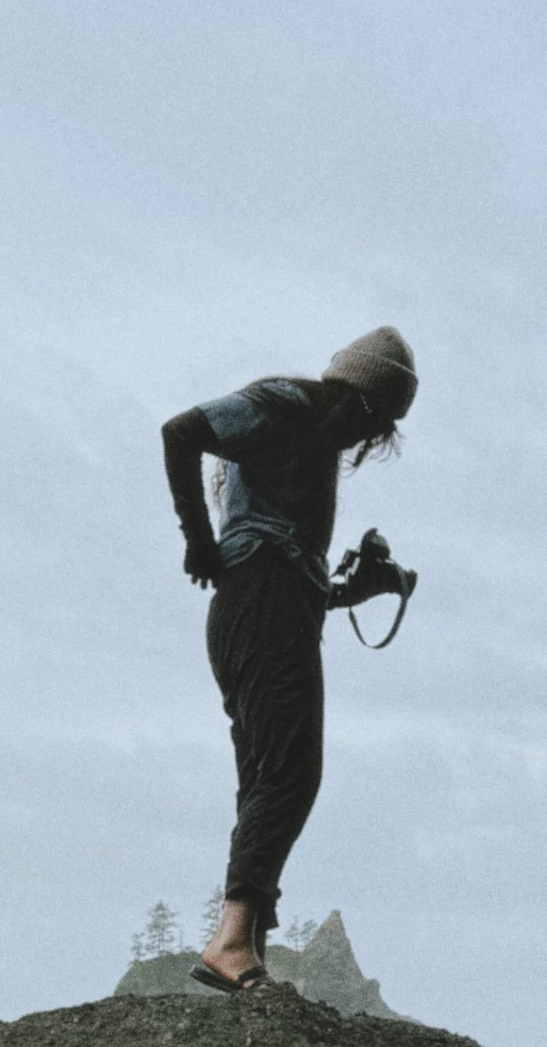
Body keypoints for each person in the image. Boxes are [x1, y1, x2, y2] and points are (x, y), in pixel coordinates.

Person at [161, 325, 418, 992]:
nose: (367, 439)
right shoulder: (284, 404)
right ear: (360, 398)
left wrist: (358, 588)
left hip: (272, 605)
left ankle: (247, 943)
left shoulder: (316, 440)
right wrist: (198, 543)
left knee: (268, 774)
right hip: (261, 601)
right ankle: (230, 941)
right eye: (374, 423)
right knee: (289, 772)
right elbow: (180, 431)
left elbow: (294, 570)